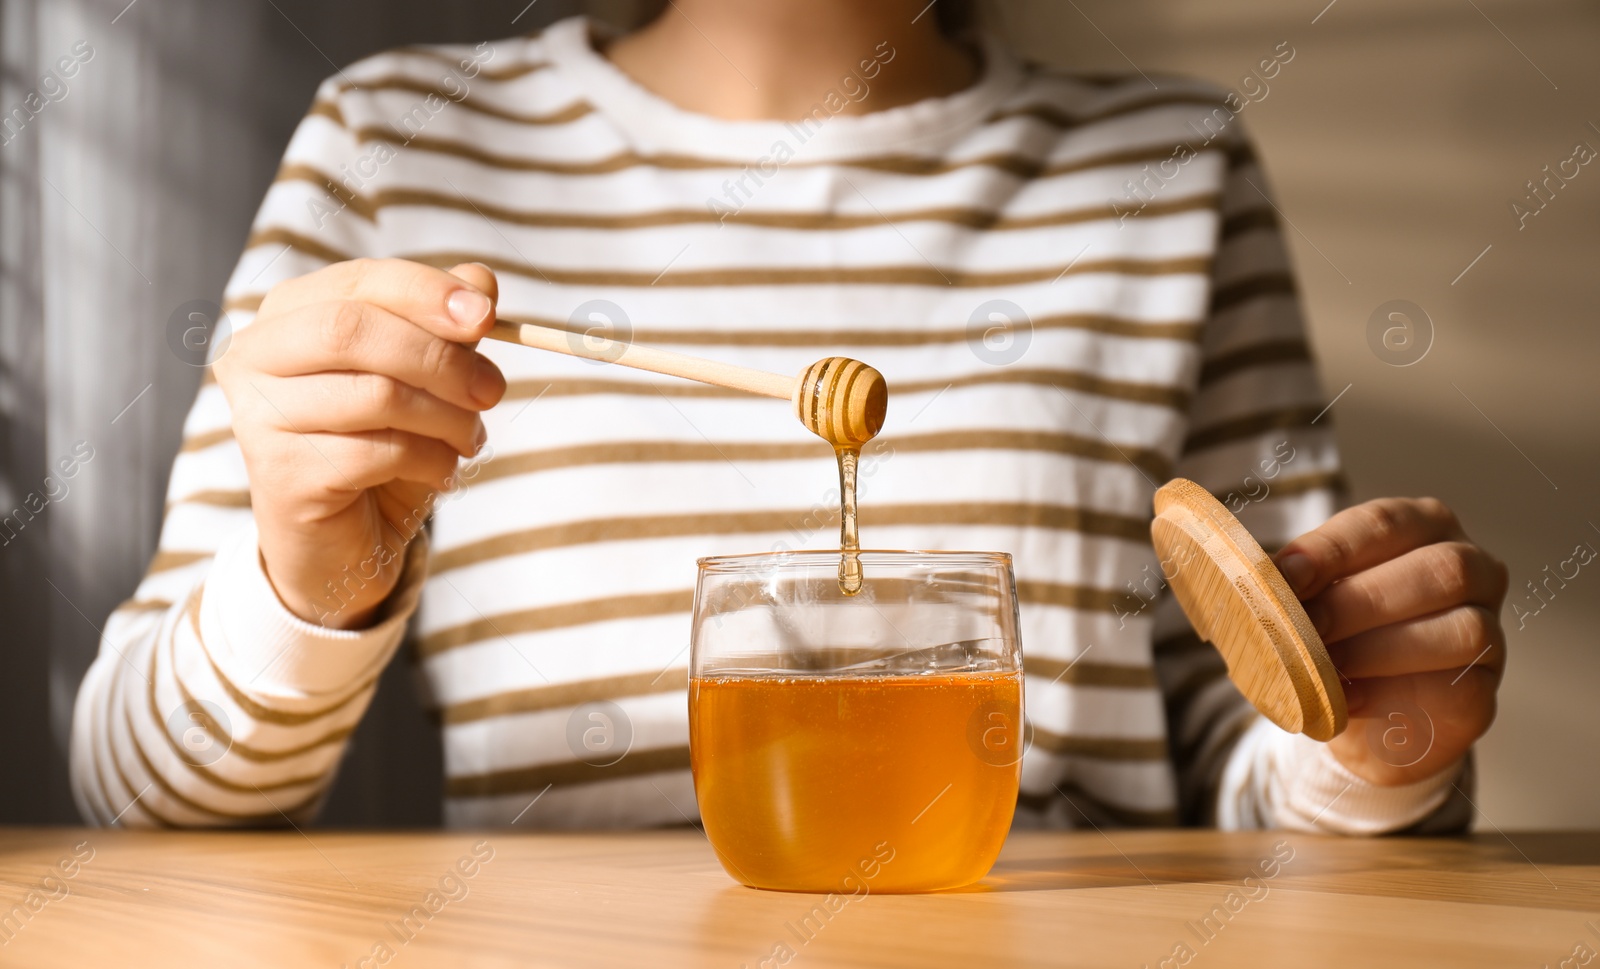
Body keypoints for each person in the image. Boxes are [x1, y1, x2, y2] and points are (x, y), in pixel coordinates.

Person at [70, 0, 1506, 833]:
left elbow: (1250, 764)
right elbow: (137, 797)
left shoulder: (1167, 164)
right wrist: (308, 587)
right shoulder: (402, 143)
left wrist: (1374, 743)